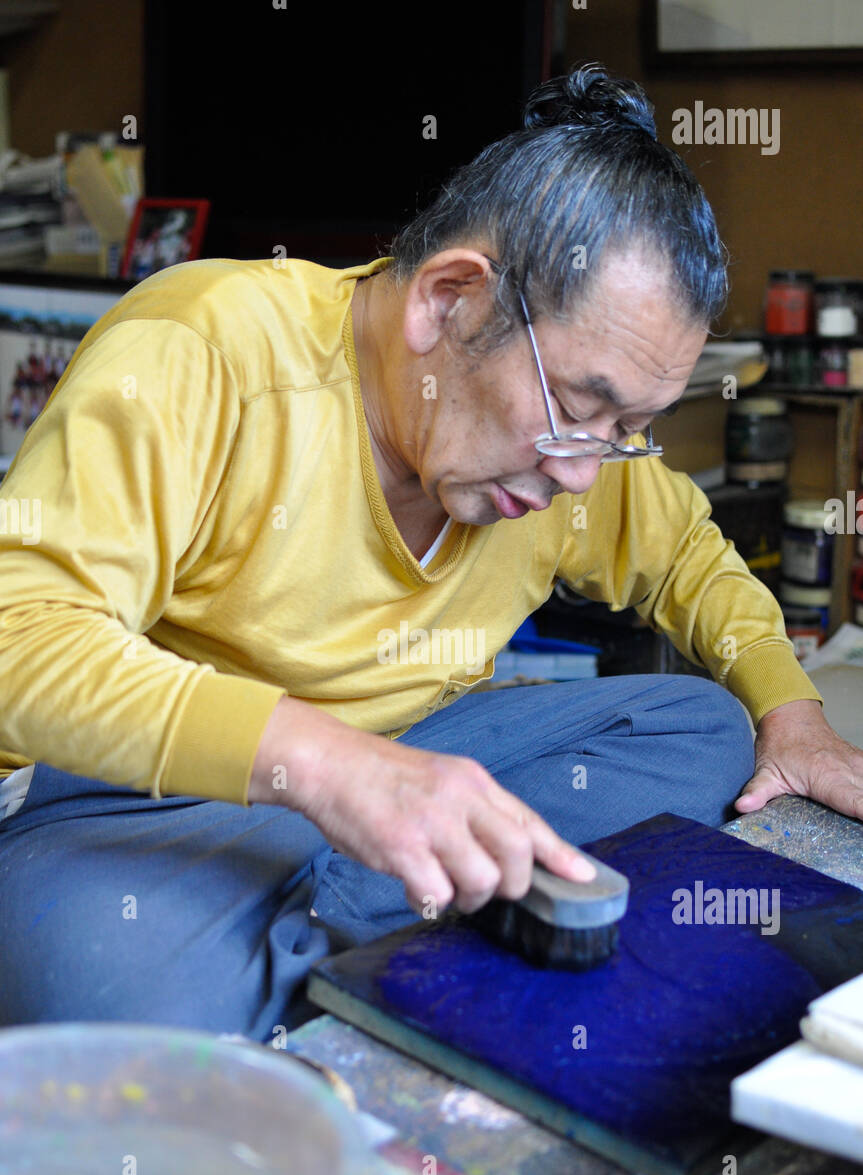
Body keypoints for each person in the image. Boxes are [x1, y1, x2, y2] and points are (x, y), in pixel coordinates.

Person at [0, 66, 859, 1040]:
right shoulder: (202, 347)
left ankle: (308, 941)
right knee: (100, 978)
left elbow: (686, 557)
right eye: (580, 411)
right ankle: (356, 929)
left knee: (703, 727)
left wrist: (791, 715)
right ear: (449, 298)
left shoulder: (572, 460)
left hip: (386, 773)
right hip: (123, 807)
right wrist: (327, 769)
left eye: (628, 427)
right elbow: (18, 639)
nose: (587, 474)